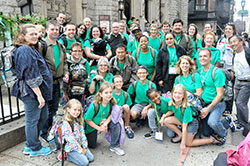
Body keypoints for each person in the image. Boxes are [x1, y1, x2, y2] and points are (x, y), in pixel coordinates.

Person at [12, 24, 53, 156]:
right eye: (31, 34)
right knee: (33, 120)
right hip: (31, 93)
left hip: (37, 92)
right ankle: (33, 147)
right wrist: (39, 96)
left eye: (36, 34)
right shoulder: (25, 50)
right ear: (23, 36)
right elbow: (31, 76)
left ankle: (31, 142)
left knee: (43, 116)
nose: (35, 36)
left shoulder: (31, 48)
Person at [161, 84, 221, 166]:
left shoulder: (186, 108)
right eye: (175, 93)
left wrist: (182, 144)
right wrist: (163, 116)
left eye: (179, 93)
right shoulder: (172, 102)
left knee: (188, 143)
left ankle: (212, 140)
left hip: (191, 123)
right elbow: (171, 111)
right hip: (182, 120)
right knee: (166, 120)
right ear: (172, 93)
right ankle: (181, 135)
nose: (177, 95)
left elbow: (185, 127)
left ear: (183, 96)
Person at [198, 48, 234, 144]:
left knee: (212, 123)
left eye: (205, 56)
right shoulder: (200, 71)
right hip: (205, 103)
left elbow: (220, 94)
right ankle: (227, 121)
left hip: (217, 103)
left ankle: (223, 134)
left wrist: (208, 109)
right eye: (200, 56)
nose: (202, 58)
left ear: (210, 58)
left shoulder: (217, 72)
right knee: (206, 133)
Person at [40, 20, 69, 141]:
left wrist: (65, 73)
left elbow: (65, 62)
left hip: (57, 82)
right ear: (47, 30)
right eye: (52, 29)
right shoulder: (42, 45)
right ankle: (44, 132)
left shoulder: (61, 45)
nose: (55, 31)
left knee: (54, 108)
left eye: (56, 29)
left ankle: (51, 129)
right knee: (46, 109)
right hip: (47, 83)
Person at [84, 82, 125, 156]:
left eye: (110, 92)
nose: (109, 94)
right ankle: (89, 135)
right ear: (100, 94)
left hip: (102, 122)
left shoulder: (111, 102)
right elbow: (87, 119)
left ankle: (114, 145)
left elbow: (112, 115)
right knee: (92, 145)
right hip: (92, 125)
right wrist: (99, 128)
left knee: (116, 124)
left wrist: (105, 124)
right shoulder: (94, 105)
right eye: (106, 93)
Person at [61, 99, 94, 166]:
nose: (77, 112)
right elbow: (71, 140)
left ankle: (79, 155)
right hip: (71, 148)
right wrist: (80, 150)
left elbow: (82, 134)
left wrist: (84, 146)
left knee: (91, 158)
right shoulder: (66, 124)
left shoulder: (78, 120)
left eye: (79, 110)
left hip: (79, 144)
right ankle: (67, 156)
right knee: (85, 163)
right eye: (75, 110)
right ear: (68, 109)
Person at [229, 35, 250, 131]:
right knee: (237, 102)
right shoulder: (235, 53)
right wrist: (232, 72)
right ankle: (240, 121)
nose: (233, 44)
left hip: (247, 81)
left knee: (241, 103)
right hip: (237, 80)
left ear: (241, 42)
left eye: (234, 41)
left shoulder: (247, 52)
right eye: (231, 42)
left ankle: (245, 125)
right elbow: (235, 64)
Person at [216, 23, 236, 114]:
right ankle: (221, 108)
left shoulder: (235, 41)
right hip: (220, 68)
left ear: (233, 31)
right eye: (226, 28)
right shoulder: (221, 39)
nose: (227, 30)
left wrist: (232, 69)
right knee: (220, 88)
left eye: (230, 29)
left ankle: (228, 109)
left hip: (229, 68)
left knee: (229, 89)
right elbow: (217, 52)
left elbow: (236, 57)